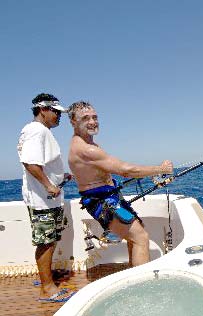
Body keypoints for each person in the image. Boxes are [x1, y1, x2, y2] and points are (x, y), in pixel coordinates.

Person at [67, 101, 173, 267]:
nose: (92, 121)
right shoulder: (87, 149)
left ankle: (133, 278)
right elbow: (126, 170)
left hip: (110, 197)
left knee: (136, 234)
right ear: (73, 121)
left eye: (94, 117)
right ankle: (140, 287)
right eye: (85, 118)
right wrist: (160, 169)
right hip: (103, 202)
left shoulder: (89, 145)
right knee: (141, 238)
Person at [17, 93, 74, 302]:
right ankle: (47, 289)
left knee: (51, 240)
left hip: (48, 198)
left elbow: (44, 162)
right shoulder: (35, 131)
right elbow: (30, 163)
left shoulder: (41, 131)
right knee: (46, 243)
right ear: (43, 109)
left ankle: (46, 277)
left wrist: (60, 176)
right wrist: (49, 185)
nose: (59, 116)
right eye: (56, 112)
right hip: (43, 200)